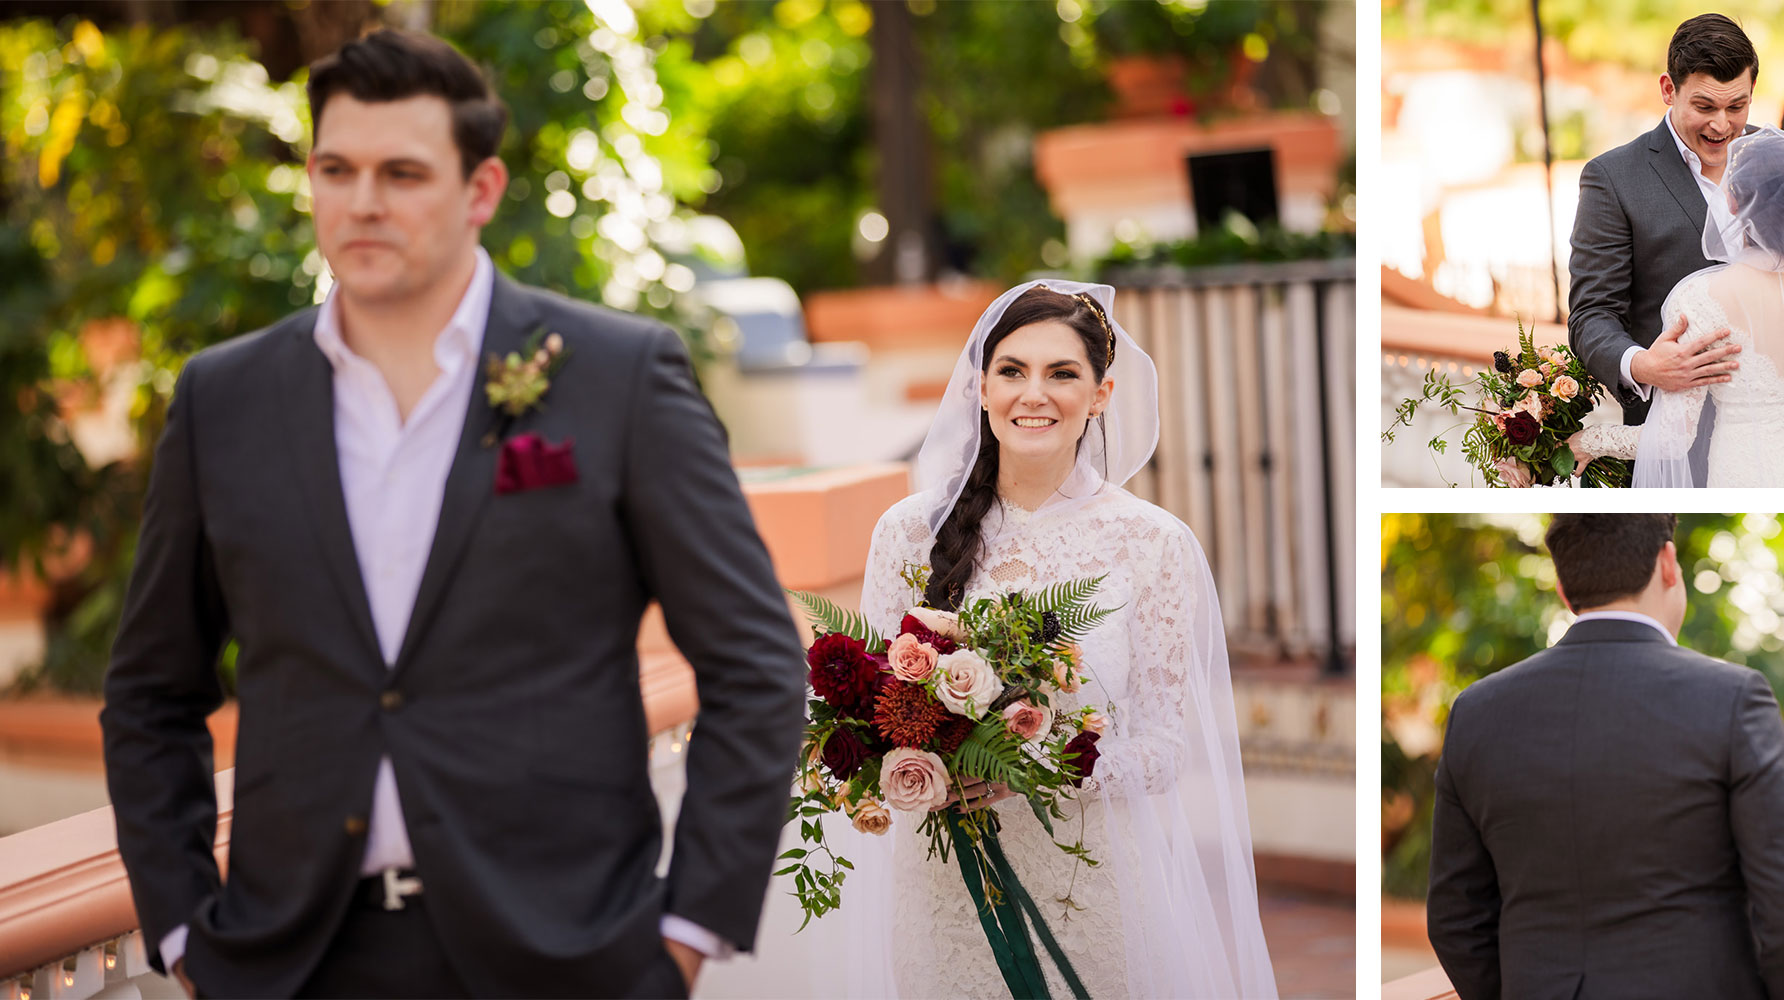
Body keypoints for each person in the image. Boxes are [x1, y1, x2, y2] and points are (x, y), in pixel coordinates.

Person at [99, 29, 805, 998]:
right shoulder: (223, 400)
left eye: (401, 172)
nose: (362, 203)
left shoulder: (616, 378)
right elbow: (150, 694)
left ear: (479, 191)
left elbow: (755, 666)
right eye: (334, 168)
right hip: (293, 960)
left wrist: (681, 937)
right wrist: (184, 933)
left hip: (563, 956)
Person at [842, 280, 1276, 997]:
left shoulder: (1152, 544)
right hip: (947, 892)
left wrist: (1030, 771)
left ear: (1101, 393)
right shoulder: (908, 534)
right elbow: (876, 708)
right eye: (1012, 371)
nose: (1032, 394)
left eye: (1062, 374)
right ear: (981, 388)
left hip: (1092, 884)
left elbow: (1164, 751)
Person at [1428, 513, 1784, 1000]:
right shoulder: (1731, 697)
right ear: (1668, 563)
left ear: (1562, 588)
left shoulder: (1477, 712)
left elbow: (1455, 916)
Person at [1566, 14, 1784, 482]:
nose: (1723, 125)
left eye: (1737, 105)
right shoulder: (1614, 179)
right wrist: (1643, 364)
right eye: (1704, 106)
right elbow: (1591, 314)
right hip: (1670, 446)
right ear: (1668, 89)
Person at [1566, 127, 1784, 486]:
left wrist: (1590, 441)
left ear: (1735, 204)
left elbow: (1670, 440)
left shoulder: (1702, 298)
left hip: (1750, 474)